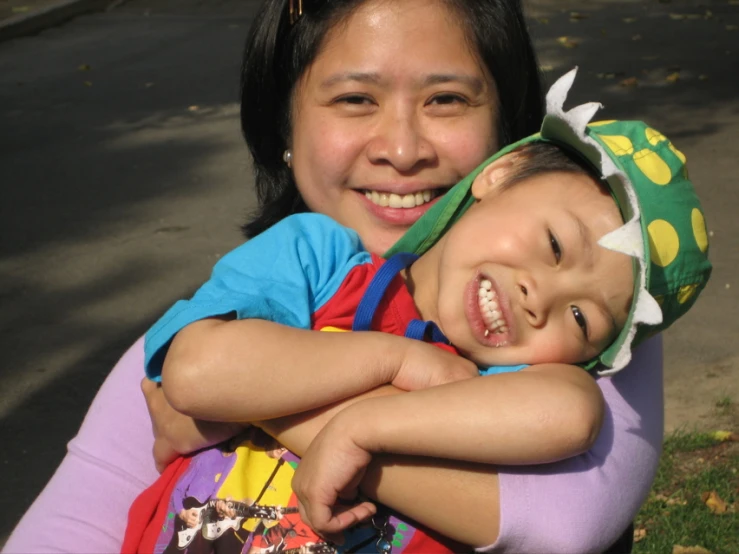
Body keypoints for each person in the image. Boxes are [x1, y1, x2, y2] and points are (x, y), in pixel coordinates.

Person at [2, 1, 669, 553]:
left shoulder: (563, 318)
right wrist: (398, 364)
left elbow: (561, 519)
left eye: (446, 98)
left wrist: (299, 416)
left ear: (505, 132)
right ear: (285, 122)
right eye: (354, 98)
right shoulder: (286, 275)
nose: (402, 149)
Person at [120, 69, 712, 554]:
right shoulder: (316, 259)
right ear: (499, 175)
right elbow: (196, 375)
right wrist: (393, 361)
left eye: (582, 320)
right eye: (555, 245)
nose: (542, 298)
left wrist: (361, 429)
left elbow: (572, 412)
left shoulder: (500, 385)